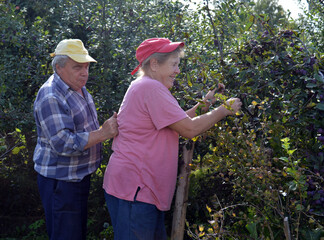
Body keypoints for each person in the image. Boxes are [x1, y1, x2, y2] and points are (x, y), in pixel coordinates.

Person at [102, 38, 241, 240]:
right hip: (136, 190)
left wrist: (208, 102)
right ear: (155, 64)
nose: (177, 71)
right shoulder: (150, 88)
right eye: (173, 64)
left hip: (140, 190)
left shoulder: (145, 86)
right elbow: (189, 128)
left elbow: (177, 120)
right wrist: (224, 109)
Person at [33, 39, 118, 240]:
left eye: (86, 66)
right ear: (59, 67)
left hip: (76, 177)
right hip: (61, 181)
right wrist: (103, 133)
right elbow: (63, 143)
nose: (84, 72)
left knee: (75, 234)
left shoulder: (77, 87)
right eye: (77, 67)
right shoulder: (51, 95)